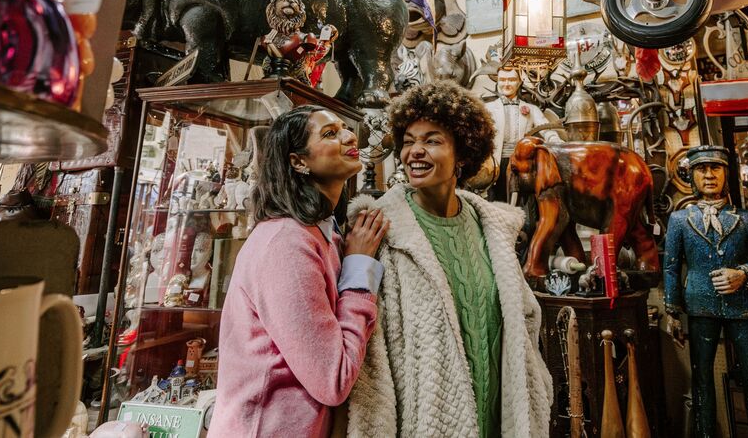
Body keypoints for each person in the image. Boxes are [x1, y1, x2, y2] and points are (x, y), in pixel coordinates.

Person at [346, 80, 553, 437]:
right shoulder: (381, 230)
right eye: (409, 141)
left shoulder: (494, 229)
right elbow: (371, 364)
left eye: (432, 140)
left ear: (463, 153)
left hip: (501, 418)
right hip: (424, 424)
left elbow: (525, 324)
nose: (415, 152)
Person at [209, 105, 389, 437]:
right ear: (298, 161)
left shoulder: (322, 234)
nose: (350, 136)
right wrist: (360, 268)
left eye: (345, 128)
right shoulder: (287, 244)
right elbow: (333, 380)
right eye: (330, 133)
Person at [663, 145, 748, 438]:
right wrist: (672, 310)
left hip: (743, 305)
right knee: (702, 381)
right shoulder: (679, 220)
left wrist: (744, 273)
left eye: (716, 169)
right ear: (692, 177)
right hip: (700, 304)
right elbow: (672, 267)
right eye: (702, 169)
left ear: (726, 174)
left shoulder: (746, 218)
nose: (709, 175)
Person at [486, 66, 560, 203]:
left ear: (520, 82)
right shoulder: (487, 109)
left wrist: (557, 143)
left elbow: (546, 129)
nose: (506, 84)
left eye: (512, 79)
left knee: (525, 202)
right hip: (496, 163)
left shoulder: (531, 109)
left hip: (524, 162)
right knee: (496, 201)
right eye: (502, 80)